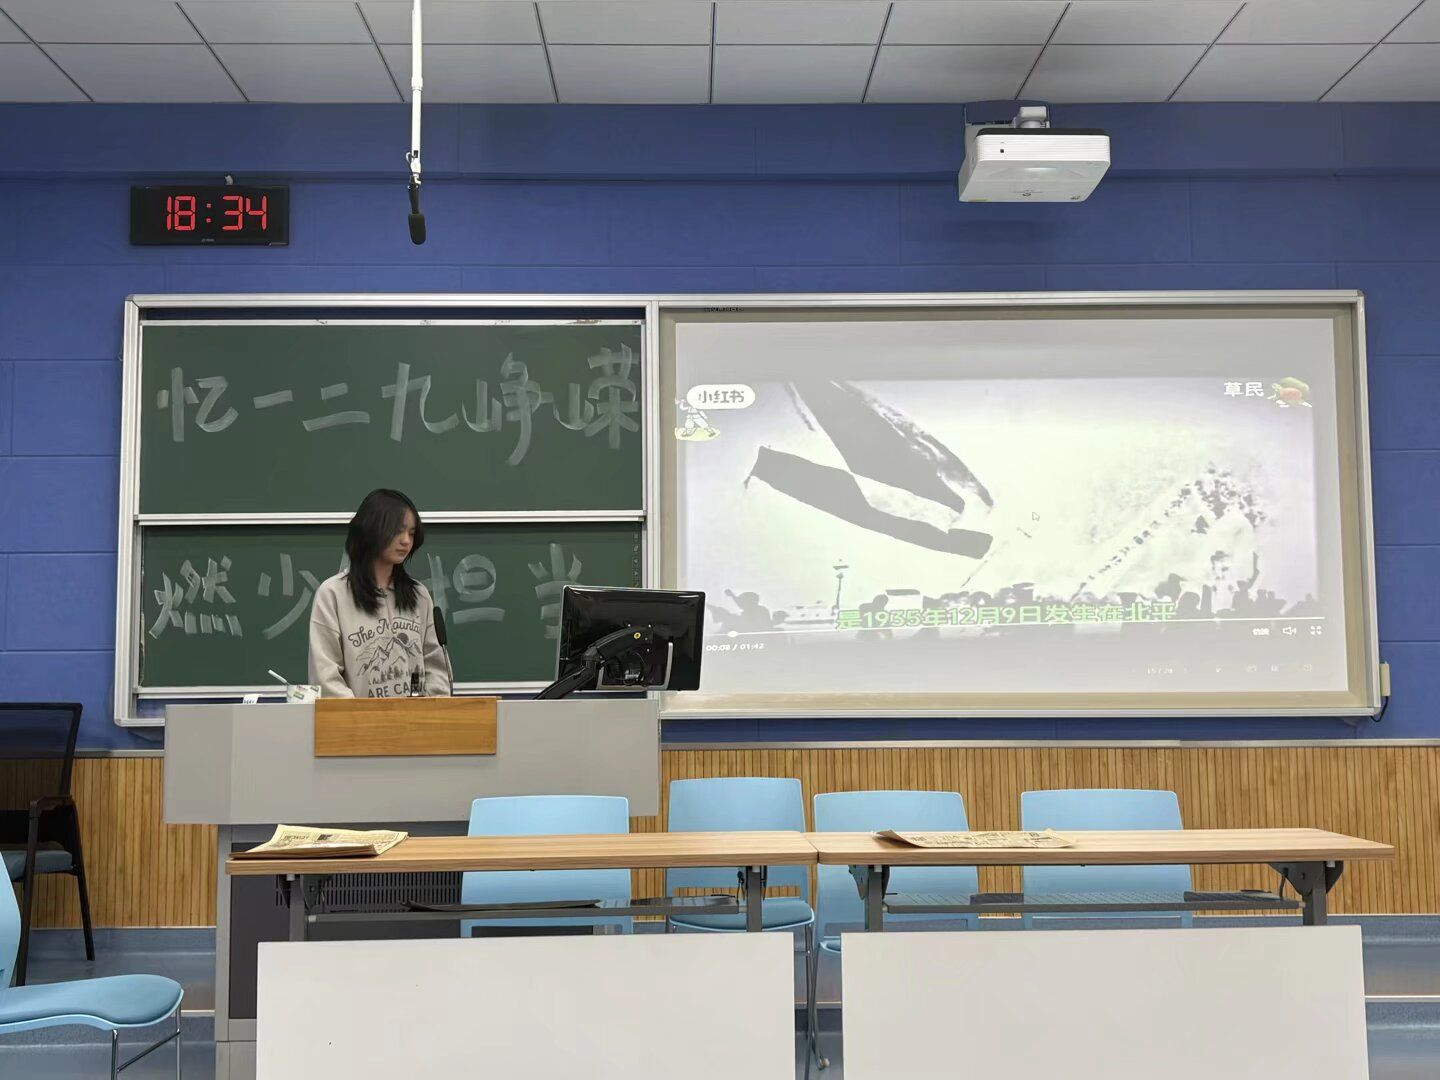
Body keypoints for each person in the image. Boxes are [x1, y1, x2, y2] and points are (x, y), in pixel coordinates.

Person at [307, 488, 452, 698]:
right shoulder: (333, 594)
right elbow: (325, 677)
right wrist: (365, 716)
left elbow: (435, 668)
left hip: (416, 718)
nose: (406, 540)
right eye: (398, 530)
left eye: (411, 533)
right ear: (372, 530)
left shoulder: (419, 596)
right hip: (356, 718)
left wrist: (428, 709)